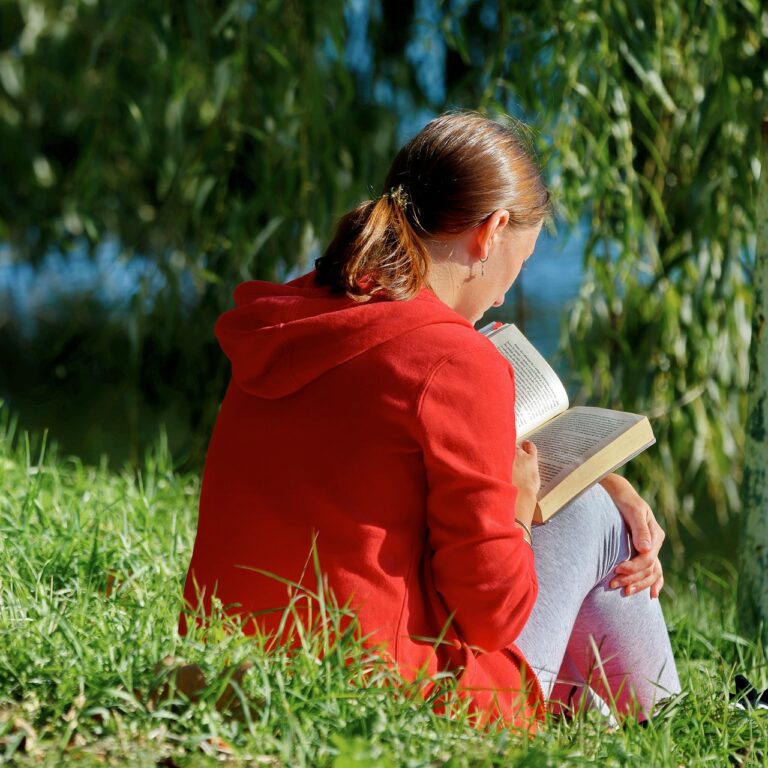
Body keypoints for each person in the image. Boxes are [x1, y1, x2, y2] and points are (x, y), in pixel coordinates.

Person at [179, 110, 681, 729]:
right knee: (596, 521)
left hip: (229, 658)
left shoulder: (292, 320)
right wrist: (519, 512)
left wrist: (608, 477)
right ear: (491, 231)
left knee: (600, 504)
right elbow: (492, 615)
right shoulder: (453, 362)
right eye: (517, 264)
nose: (500, 297)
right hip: (379, 690)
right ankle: (670, 724)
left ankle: (600, 710)